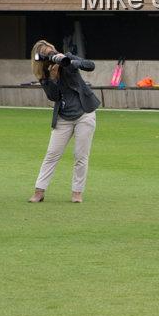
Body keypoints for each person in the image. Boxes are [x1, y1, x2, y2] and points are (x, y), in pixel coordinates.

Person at [28, 39, 100, 203]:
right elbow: (53, 96)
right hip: (63, 117)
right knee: (52, 154)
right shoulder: (44, 73)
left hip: (85, 113)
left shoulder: (66, 58)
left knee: (80, 155)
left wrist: (70, 62)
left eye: (51, 51)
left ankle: (77, 193)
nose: (51, 55)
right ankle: (39, 191)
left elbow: (90, 65)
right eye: (47, 54)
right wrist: (52, 78)